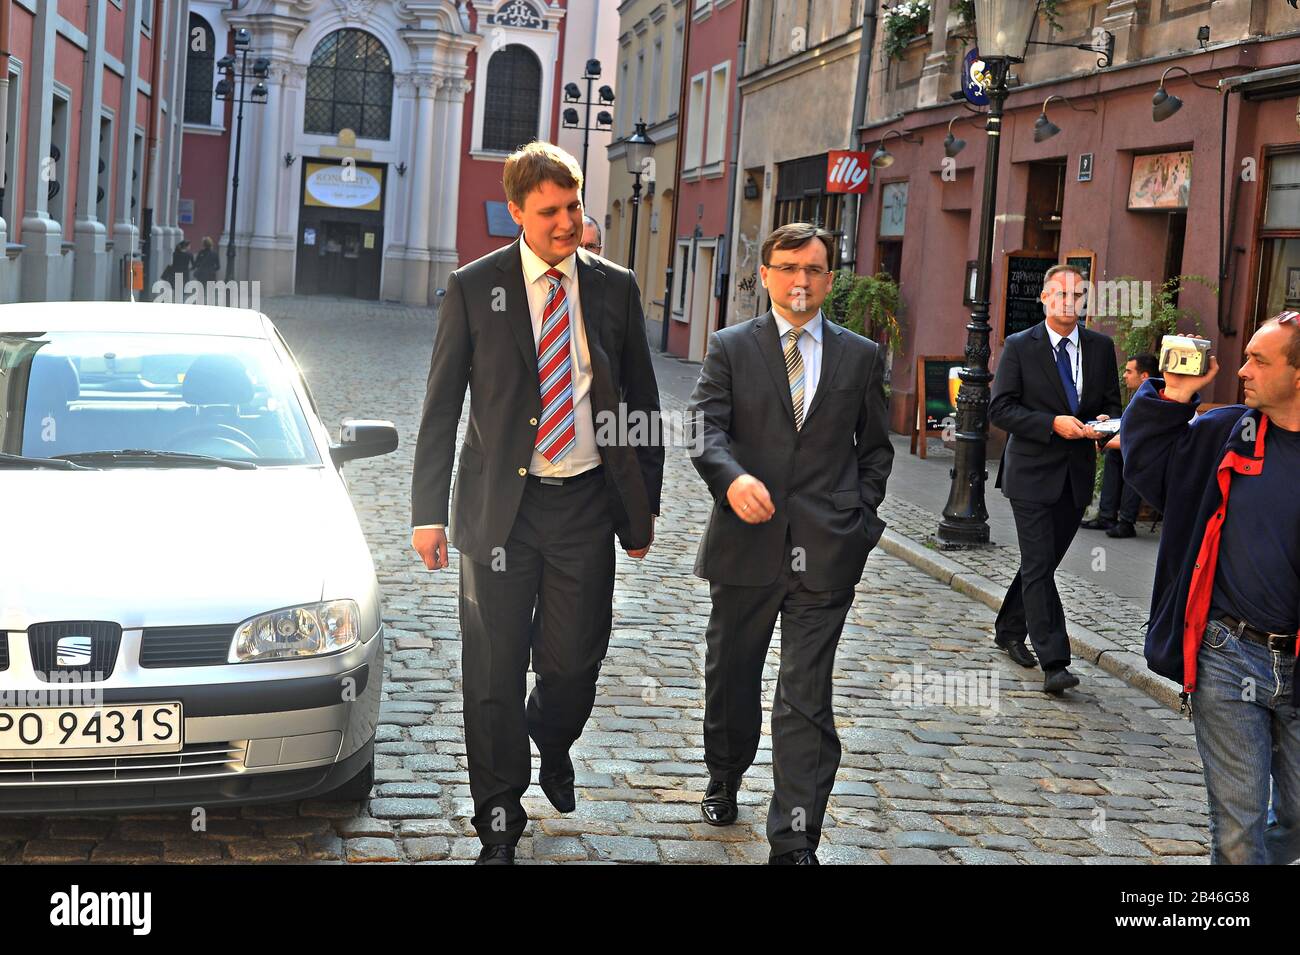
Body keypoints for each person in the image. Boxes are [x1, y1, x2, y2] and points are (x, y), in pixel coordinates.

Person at [409, 141, 664, 865]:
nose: (565, 223)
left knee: (573, 664)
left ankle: (551, 737)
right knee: (491, 668)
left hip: (584, 504)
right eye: (549, 211)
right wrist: (428, 512)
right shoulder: (474, 287)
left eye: (573, 208)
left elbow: (641, 403)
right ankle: (498, 815)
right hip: (498, 510)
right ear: (516, 212)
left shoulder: (612, 288)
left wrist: (641, 508)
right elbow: (440, 409)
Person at [687, 222, 894, 864]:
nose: (800, 281)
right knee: (732, 674)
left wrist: (858, 521)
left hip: (827, 553)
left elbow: (877, 451)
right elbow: (703, 429)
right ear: (766, 274)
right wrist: (733, 478)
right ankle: (724, 771)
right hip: (745, 545)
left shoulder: (860, 356)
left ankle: (794, 839)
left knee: (806, 695)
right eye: (787, 267)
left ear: (831, 279)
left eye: (813, 269)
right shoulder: (729, 347)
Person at [1122, 311, 1300, 865]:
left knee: (1295, 819)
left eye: (1258, 360)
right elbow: (1150, 468)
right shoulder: (1225, 431)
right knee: (1237, 827)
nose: (1242, 370)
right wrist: (1173, 394)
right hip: (1227, 652)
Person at [989, 264, 1122, 694]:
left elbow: (1110, 405)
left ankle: (1009, 627)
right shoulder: (1020, 346)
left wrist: (1103, 422)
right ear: (1044, 299)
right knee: (1041, 564)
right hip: (1029, 473)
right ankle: (1055, 662)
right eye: (1060, 294)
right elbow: (1001, 409)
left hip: (1075, 476)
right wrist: (1052, 424)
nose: (1069, 301)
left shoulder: (1101, 347)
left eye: (1077, 294)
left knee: (1039, 563)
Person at [1080, 353, 1158, 538]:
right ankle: (1107, 516)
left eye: (1129, 371)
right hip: (1139, 445)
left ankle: (1126, 521)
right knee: (1115, 455)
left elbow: (1141, 436)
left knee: (1132, 458)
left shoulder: (1153, 396)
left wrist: (1104, 441)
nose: (1124, 375)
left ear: (1144, 376)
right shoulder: (1141, 394)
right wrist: (1106, 426)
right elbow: (1129, 427)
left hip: (1154, 452)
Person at [193, 237, 220, 302]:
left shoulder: (201, 253)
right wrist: (212, 269)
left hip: (201, 275)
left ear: (203, 244)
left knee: (201, 291)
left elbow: (196, 264)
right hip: (211, 275)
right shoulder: (215, 254)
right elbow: (218, 266)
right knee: (211, 292)